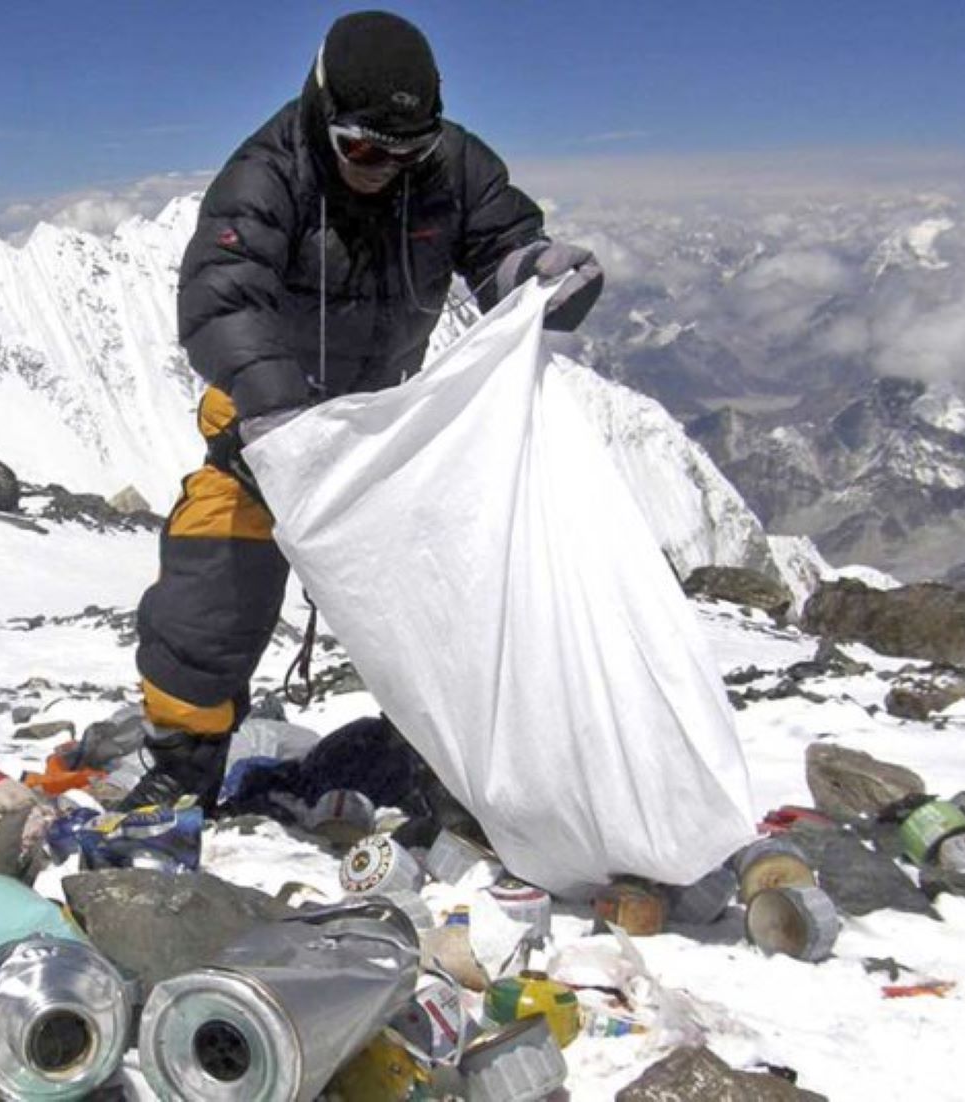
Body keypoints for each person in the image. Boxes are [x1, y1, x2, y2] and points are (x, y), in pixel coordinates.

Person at [118, 10, 604, 809]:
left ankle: (457, 769)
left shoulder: (452, 166)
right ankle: (181, 766)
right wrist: (277, 417)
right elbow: (219, 301)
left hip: (386, 433)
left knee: (458, 601)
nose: (385, 167)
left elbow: (498, 247)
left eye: (407, 150)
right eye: (365, 149)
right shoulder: (266, 176)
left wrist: (537, 273)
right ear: (321, 112)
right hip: (263, 433)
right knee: (210, 597)